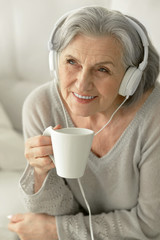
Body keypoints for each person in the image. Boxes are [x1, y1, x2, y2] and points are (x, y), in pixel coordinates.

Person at [8, 6, 160, 240]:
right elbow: (56, 213)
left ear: (130, 78)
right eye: (72, 62)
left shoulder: (154, 117)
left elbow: (150, 225)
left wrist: (56, 230)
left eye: (102, 69)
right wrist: (40, 173)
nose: (81, 84)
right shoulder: (41, 106)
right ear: (55, 61)